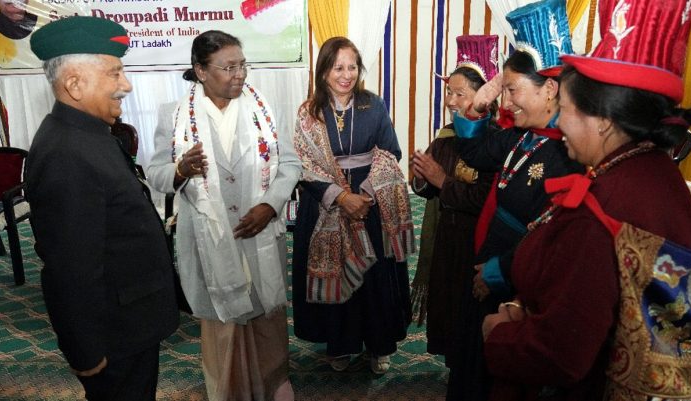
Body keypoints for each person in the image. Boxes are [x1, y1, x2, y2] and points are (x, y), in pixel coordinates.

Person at [482, 1, 691, 399]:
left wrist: (500, 335)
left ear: (604, 120)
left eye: (564, 110)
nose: (558, 123)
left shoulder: (601, 209)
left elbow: (560, 353)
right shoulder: (658, 174)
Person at [24, 16, 179, 400]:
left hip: (129, 324)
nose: (125, 85)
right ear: (75, 83)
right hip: (113, 338)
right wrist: (85, 350)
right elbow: (70, 269)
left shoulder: (86, 133)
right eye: (115, 73)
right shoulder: (65, 153)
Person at [146, 30, 300, 401]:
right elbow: (156, 174)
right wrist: (181, 170)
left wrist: (270, 205)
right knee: (222, 327)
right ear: (200, 70)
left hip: (261, 236)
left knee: (267, 319)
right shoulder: (175, 115)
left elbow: (290, 163)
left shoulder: (266, 109)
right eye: (228, 67)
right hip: (209, 243)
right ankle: (228, 391)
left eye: (242, 65)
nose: (240, 75)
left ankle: (274, 382)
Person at [450, 2, 584, 399]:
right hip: (492, 263)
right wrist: (480, 102)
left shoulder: (569, 153)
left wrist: (497, 272)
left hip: (517, 282)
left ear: (550, 89)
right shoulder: (524, 134)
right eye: (504, 91)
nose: (506, 103)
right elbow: (475, 153)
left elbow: (553, 239)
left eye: (513, 90)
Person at [291, 36, 414, 375]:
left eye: (352, 67)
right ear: (324, 71)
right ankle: (340, 344)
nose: (346, 75)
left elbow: (390, 154)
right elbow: (303, 164)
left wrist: (365, 195)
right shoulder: (308, 113)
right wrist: (340, 197)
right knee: (338, 277)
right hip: (324, 205)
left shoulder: (373, 105)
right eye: (338, 67)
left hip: (370, 204)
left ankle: (378, 345)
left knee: (374, 279)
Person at [410, 34, 496, 395]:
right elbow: (428, 188)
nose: (451, 100)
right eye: (450, 92)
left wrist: (440, 179)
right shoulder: (445, 135)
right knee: (448, 303)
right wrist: (420, 179)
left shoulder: (497, 139)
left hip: (479, 243)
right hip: (447, 236)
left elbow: (483, 199)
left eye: (460, 93)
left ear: (482, 96)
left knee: (472, 309)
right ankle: (455, 369)